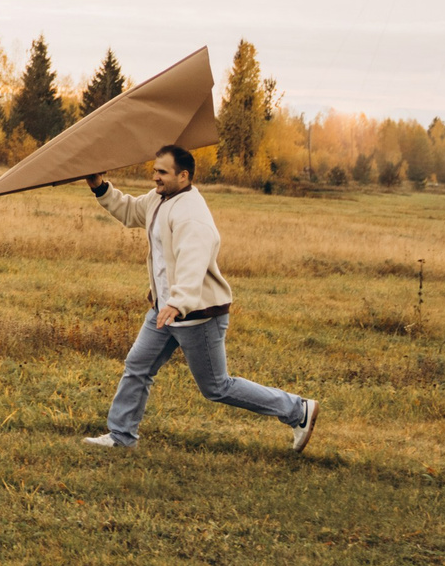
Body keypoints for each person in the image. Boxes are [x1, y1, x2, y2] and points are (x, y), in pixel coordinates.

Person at [81, 146, 320, 453]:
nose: (155, 177)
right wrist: (100, 187)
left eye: (162, 172)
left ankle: (297, 410)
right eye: (154, 170)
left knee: (217, 387)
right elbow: (130, 211)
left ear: (183, 175)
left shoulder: (191, 214)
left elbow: (192, 263)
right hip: (165, 311)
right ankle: (121, 436)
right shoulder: (159, 199)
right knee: (137, 366)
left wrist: (178, 302)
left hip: (197, 315)